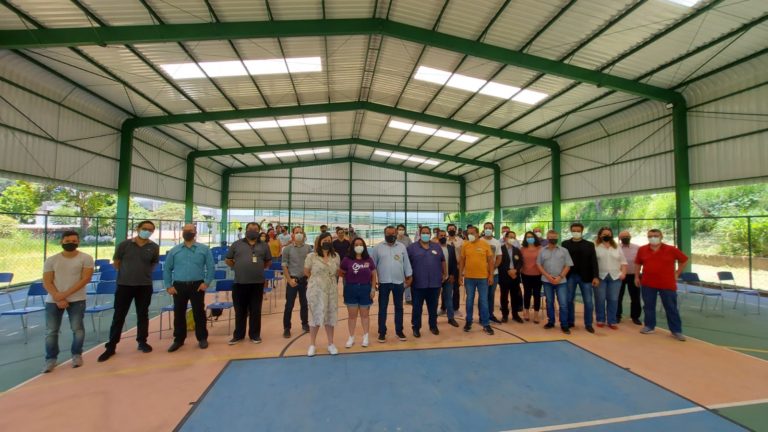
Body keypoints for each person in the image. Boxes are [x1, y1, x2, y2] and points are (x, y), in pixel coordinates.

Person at [98, 221, 160, 362]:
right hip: (124, 285)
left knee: (143, 314)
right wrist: (128, 273)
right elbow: (116, 263)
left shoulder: (154, 247)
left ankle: (142, 341)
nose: (147, 231)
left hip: (144, 285)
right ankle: (111, 346)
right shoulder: (124, 245)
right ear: (138, 229)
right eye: (145, 228)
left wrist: (143, 273)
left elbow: (153, 263)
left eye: (150, 230)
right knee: (119, 316)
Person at [42, 231, 94, 373]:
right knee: (51, 331)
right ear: (61, 242)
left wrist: (64, 295)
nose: (70, 243)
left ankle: (77, 355)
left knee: (77, 329)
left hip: (77, 299)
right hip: (53, 300)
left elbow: (85, 279)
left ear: (78, 242)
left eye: (74, 241)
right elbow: (47, 281)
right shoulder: (52, 260)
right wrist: (57, 297)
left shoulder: (86, 258)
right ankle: (50, 359)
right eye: (67, 241)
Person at [163, 224, 215, 352]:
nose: (187, 232)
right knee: (179, 313)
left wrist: (206, 283)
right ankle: (178, 339)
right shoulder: (174, 250)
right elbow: (167, 269)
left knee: (199, 312)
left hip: (197, 285)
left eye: (190, 230)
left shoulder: (204, 249)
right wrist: (168, 285)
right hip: (179, 286)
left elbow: (211, 267)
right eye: (185, 230)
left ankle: (202, 338)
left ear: (195, 232)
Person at [635, 229, 688, 341]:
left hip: (667, 284)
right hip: (648, 283)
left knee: (671, 307)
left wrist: (677, 273)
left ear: (661, 236)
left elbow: (684, 260)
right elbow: (638, 263)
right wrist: (636, 276)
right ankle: (649, 326)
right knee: (648, 306)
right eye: (650, 236)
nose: (653, 238)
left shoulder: (671, 249)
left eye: (655, 235)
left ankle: (676, 331)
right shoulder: (642, 249)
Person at [225, 222, 271, 345]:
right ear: (246, 230)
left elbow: (267, 262)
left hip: (257, 283)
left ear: (259, 231)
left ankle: (254, 335)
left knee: (256, 310)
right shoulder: (236, 244)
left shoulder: (264, 246)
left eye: (255, 229)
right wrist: (237, 267)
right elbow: (228, 260)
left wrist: (257, 268)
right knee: (240, 311)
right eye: (250, 229)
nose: (252, 231)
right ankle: (238, 335)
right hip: (240, 282)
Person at [370, 226, 413, 343]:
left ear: (396, 234)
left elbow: (406, 263)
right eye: (388, 234)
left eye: (393, 234)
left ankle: (399, 331)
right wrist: (373, 282)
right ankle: (382, 332)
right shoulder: (378, 248)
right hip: (384, 283)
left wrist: (409, 276)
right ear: (384, 234)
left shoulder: (402, 247)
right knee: (382, 308)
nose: (391, 236)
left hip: (399, 282)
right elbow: (372, 267)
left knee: (399, 308)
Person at [304, 233, 341, 356]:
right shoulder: (311, 256)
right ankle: (312, 345)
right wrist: (317, 281)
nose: (327, 242)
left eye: (329, 240)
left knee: (330, 316)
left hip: (331, 290)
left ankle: (331, 344)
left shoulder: (335, 256)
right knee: (314, 316)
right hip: (316, 291)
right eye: (324, 240)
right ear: (319, 242)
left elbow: (337, 272)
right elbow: (306, 271)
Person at [407, 226, 447, 337]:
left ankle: (433, 326)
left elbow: (443, 260)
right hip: (418, 284)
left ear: (430, 234)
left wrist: (445, 273)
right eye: (423, 232)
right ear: (420, 234)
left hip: (435, 283)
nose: (425, 234)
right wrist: (408, 277)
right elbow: (406, 264)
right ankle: (416, 328)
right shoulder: (412, 248)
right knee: (417, 308)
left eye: (427, 233)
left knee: (433, 307)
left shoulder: (436, 247)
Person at [340, 237, 377, 348]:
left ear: (364, 246)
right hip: (351, 289)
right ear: (352, 247)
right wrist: (349, 278)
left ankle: (366, 337)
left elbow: (373, 274)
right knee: (352, 316)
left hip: (365, 289)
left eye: (361, 244)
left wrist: (373, 288)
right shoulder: (347, 259)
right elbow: (341, 272)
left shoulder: (368, 259)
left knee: (365, 315)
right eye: (356, 244)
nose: (358, 246)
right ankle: (351, 337)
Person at [562, 223, 598, 334]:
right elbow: (562, 260)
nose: (576, 232)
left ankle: (588, 324)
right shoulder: (565, 244)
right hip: (570, 276)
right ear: (571, 231)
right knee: (569, 300)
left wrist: (595, 276)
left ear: (582, 231)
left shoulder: (589, 245)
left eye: (578, 230)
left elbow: (594, 262)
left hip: (586, 277)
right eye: (574, 230)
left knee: (588, 301)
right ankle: (570, 321)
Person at [459, 226, 495, 335]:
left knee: (483, 301)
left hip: (483, 278)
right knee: (469, 300)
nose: (470, 235)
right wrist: (460, 275)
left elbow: (490, 261)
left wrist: (491, 275)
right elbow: (462, 261)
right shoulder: (465, 245)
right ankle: (468, 321)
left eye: (472, 233)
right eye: (468, 233)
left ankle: (486, 323)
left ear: (478, 234)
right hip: (469, 278)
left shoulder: (485, 244)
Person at [536, 230, 573, 334]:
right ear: (547, 238)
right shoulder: (542, 251)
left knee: (563, 303)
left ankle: (564, 324)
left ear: (557, 238)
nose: (553, 239)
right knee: (549, 302)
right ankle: (551, 322)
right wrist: (548, 276)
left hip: (561, 281)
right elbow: (539, 265)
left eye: (554, 237)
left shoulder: (564, 251)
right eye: (551, 237)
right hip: (547, 281)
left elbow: (568, 265)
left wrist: (560, 277)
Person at [594, 227, 627, 329]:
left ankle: (612, 321)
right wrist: (594, 276)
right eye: (604, 234)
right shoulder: (595, 246)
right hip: (600, 277)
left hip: (615, 277)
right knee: (600, 299)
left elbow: (623, 262)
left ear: (612, 235)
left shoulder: (617, 247)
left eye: (609, 234)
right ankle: (600, 319)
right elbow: (592, 262)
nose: (607, 236)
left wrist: (623, 273)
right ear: (600, 235)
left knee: (613, 299)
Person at [282, 226, 311, 338]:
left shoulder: (308, 248)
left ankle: (305, 323)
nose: (299, 234)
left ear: (303, 235)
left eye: (301, 232)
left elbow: (311, 264)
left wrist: (309, 278)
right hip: (292, 280)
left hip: (304, 280)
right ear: (293, 235)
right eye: (296, 232)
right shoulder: (287, 249)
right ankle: (287, 328)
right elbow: (284, 265)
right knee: (289, 305)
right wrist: (289, 280)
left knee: (304, 304)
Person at [617, 231, 642, 325]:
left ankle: (635, 317)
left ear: (630, 237)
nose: (625, 238)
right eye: (623, 236)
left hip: (634, 275)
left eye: (627, 236)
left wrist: (638, 275)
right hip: (620, 275)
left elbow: (640, 261)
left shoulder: (637, 248)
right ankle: (617, 315)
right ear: (619, 238)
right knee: (618, 296)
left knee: (635, 297)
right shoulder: (616, 247)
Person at [499, 230, 524, 323]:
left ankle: (515, 314)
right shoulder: (500, 249)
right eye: (510, 237)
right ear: (505, 238)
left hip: (515, 276)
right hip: (504, 276)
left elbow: (520, 262)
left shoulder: (517, 250)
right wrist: (508, 271)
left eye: (514, 237)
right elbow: (499, 262)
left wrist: (516, 270)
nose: (512, 239)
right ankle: (504, 315)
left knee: (515, 296)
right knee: (504, 296)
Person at [437, 229, 460, 327]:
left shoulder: (451, 248)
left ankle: (451, 318)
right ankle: (433, 319)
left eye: (444, 235)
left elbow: (454, 263)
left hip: (448, 277)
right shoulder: (434, 247)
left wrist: (452, 275)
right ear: (437, 237)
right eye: (441, 235)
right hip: (436, 278)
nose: (443, 237)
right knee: (435, 299)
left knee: (448, 298)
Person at [481, 222, 503, 324]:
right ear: (483, 229)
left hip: (494, 273)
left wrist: (492, 268)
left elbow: (499, 257)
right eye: (486, 228)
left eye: (489, 228)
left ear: (493, 230)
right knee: (483, 296)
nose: (488, 229)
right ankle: (482, 316)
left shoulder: (496, 242)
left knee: (491, 295)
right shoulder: (480, 241)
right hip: (482, 274)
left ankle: (490, 315)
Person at [520, 231, 543, 323]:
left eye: (531, 237)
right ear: (525, 239)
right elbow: (520, 261)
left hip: (538, 274)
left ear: (534, 238)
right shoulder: (522, 249)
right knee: (527, 293)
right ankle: (526, 312)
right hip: (525, 274)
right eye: (528, 237)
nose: (530, 238)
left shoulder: (540, 248)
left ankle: (536, 314)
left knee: (537, 294)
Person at [444, 223, 463, 317]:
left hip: (457, 267)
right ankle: (443, 307)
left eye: (453, 229)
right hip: (446, 266)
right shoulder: (444, 240)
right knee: (445, 288)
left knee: (456, 288)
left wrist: (462, 269)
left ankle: (455, 308)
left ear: (455, 230)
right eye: (449, 228)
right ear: (447, 230)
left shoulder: (461, 241)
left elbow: (463, 255)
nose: (451, 230)